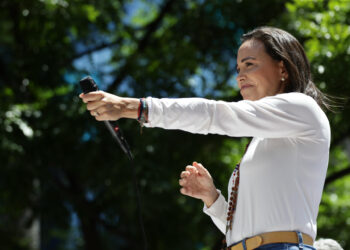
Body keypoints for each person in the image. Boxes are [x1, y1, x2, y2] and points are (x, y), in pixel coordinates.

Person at [79, 27, 331, 250]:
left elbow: (216, 115)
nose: (240, 75)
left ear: (282, 68)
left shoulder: (302, 108)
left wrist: (135, 107)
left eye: (250, 64)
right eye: (238, 68)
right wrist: (213, 199)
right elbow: (243, 232)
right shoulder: (262, 139)